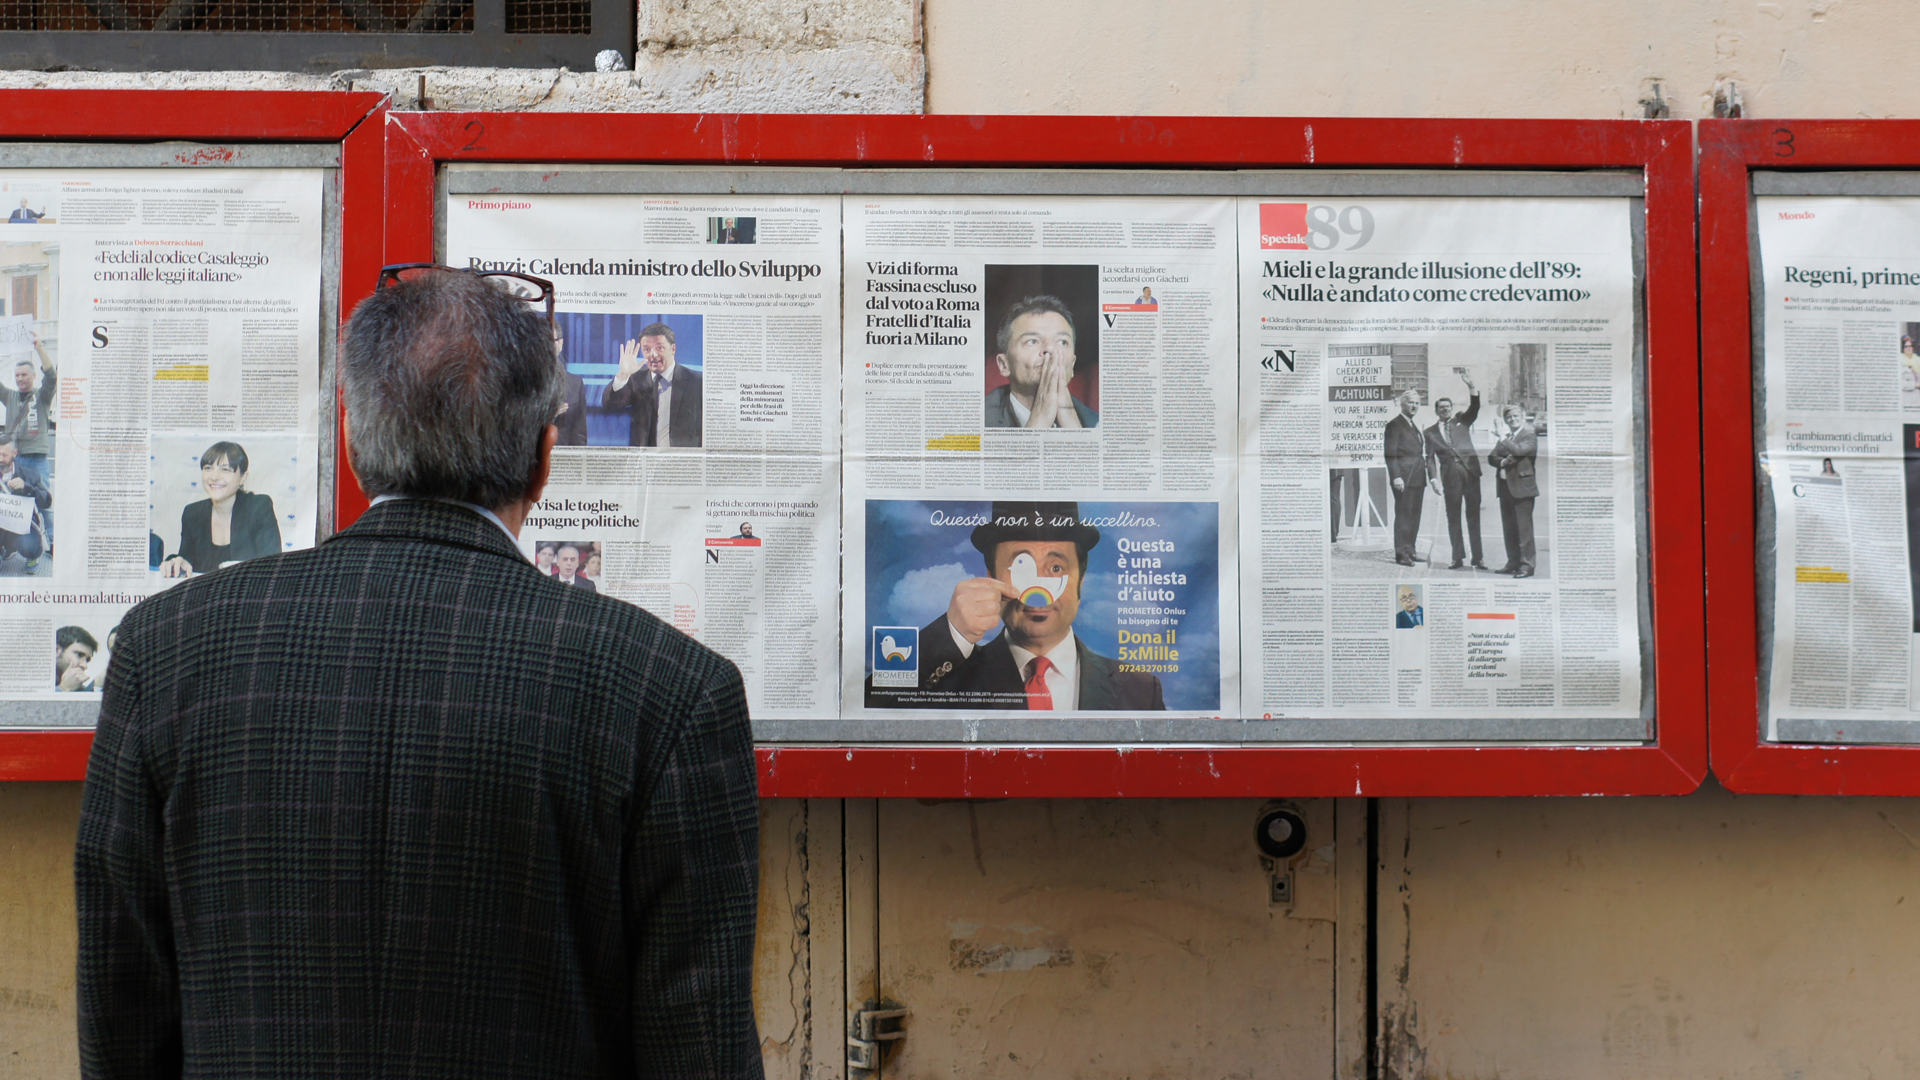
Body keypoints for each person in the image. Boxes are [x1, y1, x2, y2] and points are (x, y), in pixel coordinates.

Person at [77, 267, 761, 1078]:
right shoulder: (669, 690)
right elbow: (699, 1049)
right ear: (546, 458)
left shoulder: (166, 649)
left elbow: (121, 1008)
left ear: (354, 441)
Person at [877, 500, 1163, 711]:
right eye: (1021, 567)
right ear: (991, 579)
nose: (1039, 592)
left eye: (1055, 568)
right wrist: (952, 633)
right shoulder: (948, 678)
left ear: (1081, 582)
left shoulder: (1141, 690)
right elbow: (871, 710)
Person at [159, 440, 281, 577]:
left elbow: (273, 564)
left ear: (243, 478)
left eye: (225, 469)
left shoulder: (258, 507)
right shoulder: (193, 513)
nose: (214, 477)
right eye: (208, 468)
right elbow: (186, 560)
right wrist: (176, 562)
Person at [983, 296, 1099, 429]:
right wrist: (1038, 422)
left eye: (1062, 342)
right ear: (1004, 364)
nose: (1050, 349)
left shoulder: (1097, 424)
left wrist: (1073, 428)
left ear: (1072, 365)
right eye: (1032, 341)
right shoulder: (978, 421)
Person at [604, 321, 703, 447]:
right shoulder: (635, 378)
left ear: (673, 349)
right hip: (644, 461)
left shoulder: (696, 382)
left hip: (682, 462)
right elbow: (609, 405)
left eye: (659, 348)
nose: (653, 355)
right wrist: (623, 375)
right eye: (647, 349)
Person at [1424, 375, 1485, 570]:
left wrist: (1472, 386)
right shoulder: (1430, 432)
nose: (1445, 410)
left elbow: (1474, 408)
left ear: (1451, 409)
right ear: (1436, 411)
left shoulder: (1461, 421)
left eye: (1448, 407)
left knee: (1473, 516)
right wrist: (1433, 479)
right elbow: (1429, 457)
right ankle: (1457, 557)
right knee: (1453, 517)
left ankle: (1478, 558)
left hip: (1470, 473)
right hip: (1450, 477)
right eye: (1441, 408)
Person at [1488, 404, 1540, 578]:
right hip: (1505, 489)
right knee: (1509, 528)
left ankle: (1527, 565)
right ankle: (1513, 562)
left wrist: (1506, 448)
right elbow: (1492, 457)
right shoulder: (1507, 437)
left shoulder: (1529, 436)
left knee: (1524, 530)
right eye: (1509, 417)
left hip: (1523, 489)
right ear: (1505, 420)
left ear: (1523, 418)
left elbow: (1518, 451)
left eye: (1516, 416)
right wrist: (1504, 461)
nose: (1513, 419)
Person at [1383, 389, 1428, 567]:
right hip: (1404, 479)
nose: (1414, 406)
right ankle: (1402, 554)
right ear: (1402, 404)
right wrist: (1396, 477)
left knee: (1414, 516)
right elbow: (1390, 454)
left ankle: (1411, 550)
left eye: (1416, 403)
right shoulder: (1394, 425)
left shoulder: (1413, 425)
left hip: (1417, 479)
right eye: (1410, 402)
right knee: (1403, 516)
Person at [3, 333, 55, 476]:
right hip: (14, 458)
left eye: (24, 375)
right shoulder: (9, 396)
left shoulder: (42, 395)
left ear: (34, 376)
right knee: (15, 495)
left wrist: (39, 348)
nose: (20, 378)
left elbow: (51, 377)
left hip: (37, 459)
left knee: (41, 496)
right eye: (17, 375)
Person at [0, 437, 47, 571]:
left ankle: (33, 555)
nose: (0, 459)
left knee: (29, 546)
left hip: (22, 525)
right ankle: (5, 550)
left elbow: (46, 501)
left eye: (4, 455)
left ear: (14, 453)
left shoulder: (28, 474)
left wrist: (28, 488)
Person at [551, 326, 589, 447]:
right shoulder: (525, 382)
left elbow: (579, 435)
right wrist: (547, 415)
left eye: (551, 340)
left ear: (560, 343)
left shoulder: (575, 383)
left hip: (564, 461)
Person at [55, 625, 95, 691]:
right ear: (57, 650)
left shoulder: (82, 690)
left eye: (87, 660)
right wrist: (63, 689)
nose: (85, 666)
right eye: (79, 655)